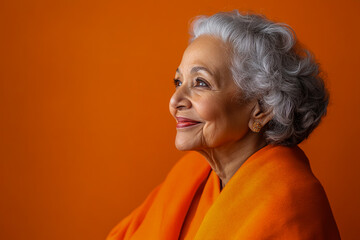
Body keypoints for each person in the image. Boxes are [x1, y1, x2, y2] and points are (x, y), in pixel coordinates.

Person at [106, 10, 340, 239]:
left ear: (262, 109)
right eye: (178, 81)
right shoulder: (192, 173)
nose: (174, 100)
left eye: (201, 83)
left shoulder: (291, 204)